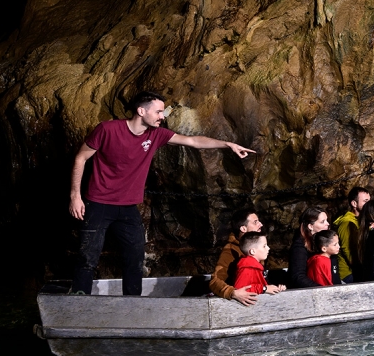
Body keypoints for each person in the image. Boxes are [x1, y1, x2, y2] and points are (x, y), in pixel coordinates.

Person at [69, 91, 254, 295]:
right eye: (158, 111)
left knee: (135, 257)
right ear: (141, 111)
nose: (162, 116)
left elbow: (193, 141)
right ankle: (79, 298)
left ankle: (133, 302)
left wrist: (227, 145)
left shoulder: (156, 134)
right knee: (88, 255)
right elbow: (80, 158)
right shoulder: (107, 129)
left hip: (128, 208)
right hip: (99, 203)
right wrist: (75, 196)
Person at [210, 209, 264, 305]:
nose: (261, 224)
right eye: (255, 222)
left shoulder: (257, 247)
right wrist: (232, 292)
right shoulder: (230, 251)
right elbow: (214, 281)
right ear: (243, 228)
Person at [333, 186, 370, 283]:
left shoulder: (359, 220)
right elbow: (349, 252)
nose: (369, 205)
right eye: (365, 201)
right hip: (349, 273)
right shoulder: (347, 223)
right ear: (354, 203)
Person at [232, 232, 285, 298]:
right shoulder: (247, 269)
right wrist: (264, 288)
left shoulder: (256, 266)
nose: (268, 248)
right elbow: (240, 291)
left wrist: (277, 289)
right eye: (264, 246)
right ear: (252, 251)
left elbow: (264, 286)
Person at [287, 207, 330, 289]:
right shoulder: (299, 247)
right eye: (322, 222)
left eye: (327, 220)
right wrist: (322, 289)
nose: (327, 224)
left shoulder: (320, 241)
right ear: (310, 226)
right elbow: (298, 277)